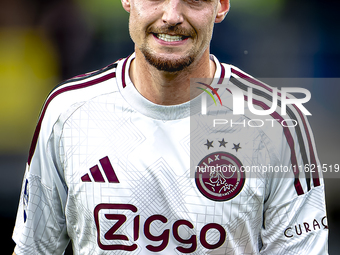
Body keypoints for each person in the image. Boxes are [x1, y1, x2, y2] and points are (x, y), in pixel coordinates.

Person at [13, 0, 328, 254]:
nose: (172, 15)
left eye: (194, 0)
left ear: (221, 6)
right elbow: (34, 249)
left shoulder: (277, 123)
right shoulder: (68, 112)